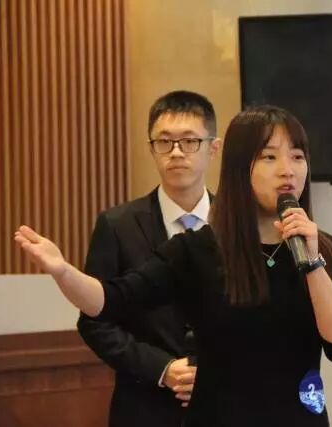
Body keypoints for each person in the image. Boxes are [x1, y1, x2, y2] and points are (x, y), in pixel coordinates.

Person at [15, 105, 332, 427]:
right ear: (239, 167)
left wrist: (312, 262)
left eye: (298, 156)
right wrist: (63, 271)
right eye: (269, 156)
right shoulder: (198, 250)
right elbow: (110, 299)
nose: (287, 169)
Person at [77, 90, 221, 427]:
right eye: (164, 142)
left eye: (190, 141)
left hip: (224, 406)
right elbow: (95, 321)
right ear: (151, 148)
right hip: (144, 408)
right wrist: (163, 369)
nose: (176, 152)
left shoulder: (238, 226)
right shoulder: (117, 225)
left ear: (213, 148)